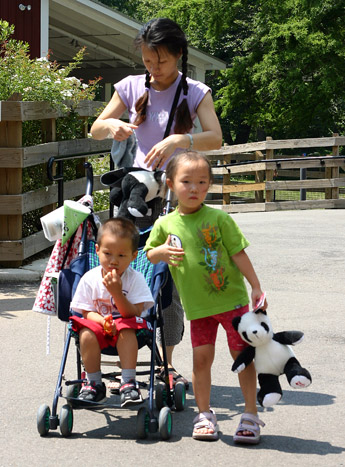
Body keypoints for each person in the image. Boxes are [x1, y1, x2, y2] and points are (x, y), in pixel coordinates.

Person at [90, 18, 222, 386]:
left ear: (179, 54)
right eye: (148, 61)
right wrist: (111, 128)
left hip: (175, 194)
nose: (154, 68)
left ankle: (166, 362)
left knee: (169, 274)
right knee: (120, 266)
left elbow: (215, 138)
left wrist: (181, 140)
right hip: (133, 193)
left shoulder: (195, 91)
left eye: (161, 61)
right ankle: (121, 347)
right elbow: (96, 128)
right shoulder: (131, 87)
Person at [144, 151, 268, 443]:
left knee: (242, 357)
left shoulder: (219, 218)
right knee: (201, 360)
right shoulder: (165, 225)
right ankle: (204, 414)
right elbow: (150, 254)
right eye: (187, 181)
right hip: (198, 308)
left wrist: (256, 287)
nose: (195, 188)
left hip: (233, 304)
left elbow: (238, 253)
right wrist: (161, 252)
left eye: (202, 182)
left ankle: (250, 414)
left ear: (209, 185)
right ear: (171, 184)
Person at [70, 217, 154, 407]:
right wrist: (101, 321)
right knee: (85, 332)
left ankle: (128, 382)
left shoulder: (135, 279)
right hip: (100, 328)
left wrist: (117, 293)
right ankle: (93, 384)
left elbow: (135, 313)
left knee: (126, 328)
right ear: (98, 250)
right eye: (108, 253)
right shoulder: (89, 278)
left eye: (122, 256)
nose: (114, 261)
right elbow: (85, 312)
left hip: (130, 332)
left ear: (133, 256)